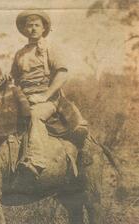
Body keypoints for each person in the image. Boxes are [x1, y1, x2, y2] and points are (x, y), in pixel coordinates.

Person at [9, 10, 88, 177]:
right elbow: (14, 79)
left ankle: (36, 161)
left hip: (48, 100)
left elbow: (62, 74)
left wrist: (44, 96)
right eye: (29, 25)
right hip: (25, 98)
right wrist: (7, 79)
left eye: (37, 25)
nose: (33, 29)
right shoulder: (20, 53)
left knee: (35, 115)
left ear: (44, 28)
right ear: (24, 29)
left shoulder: (50, 48)